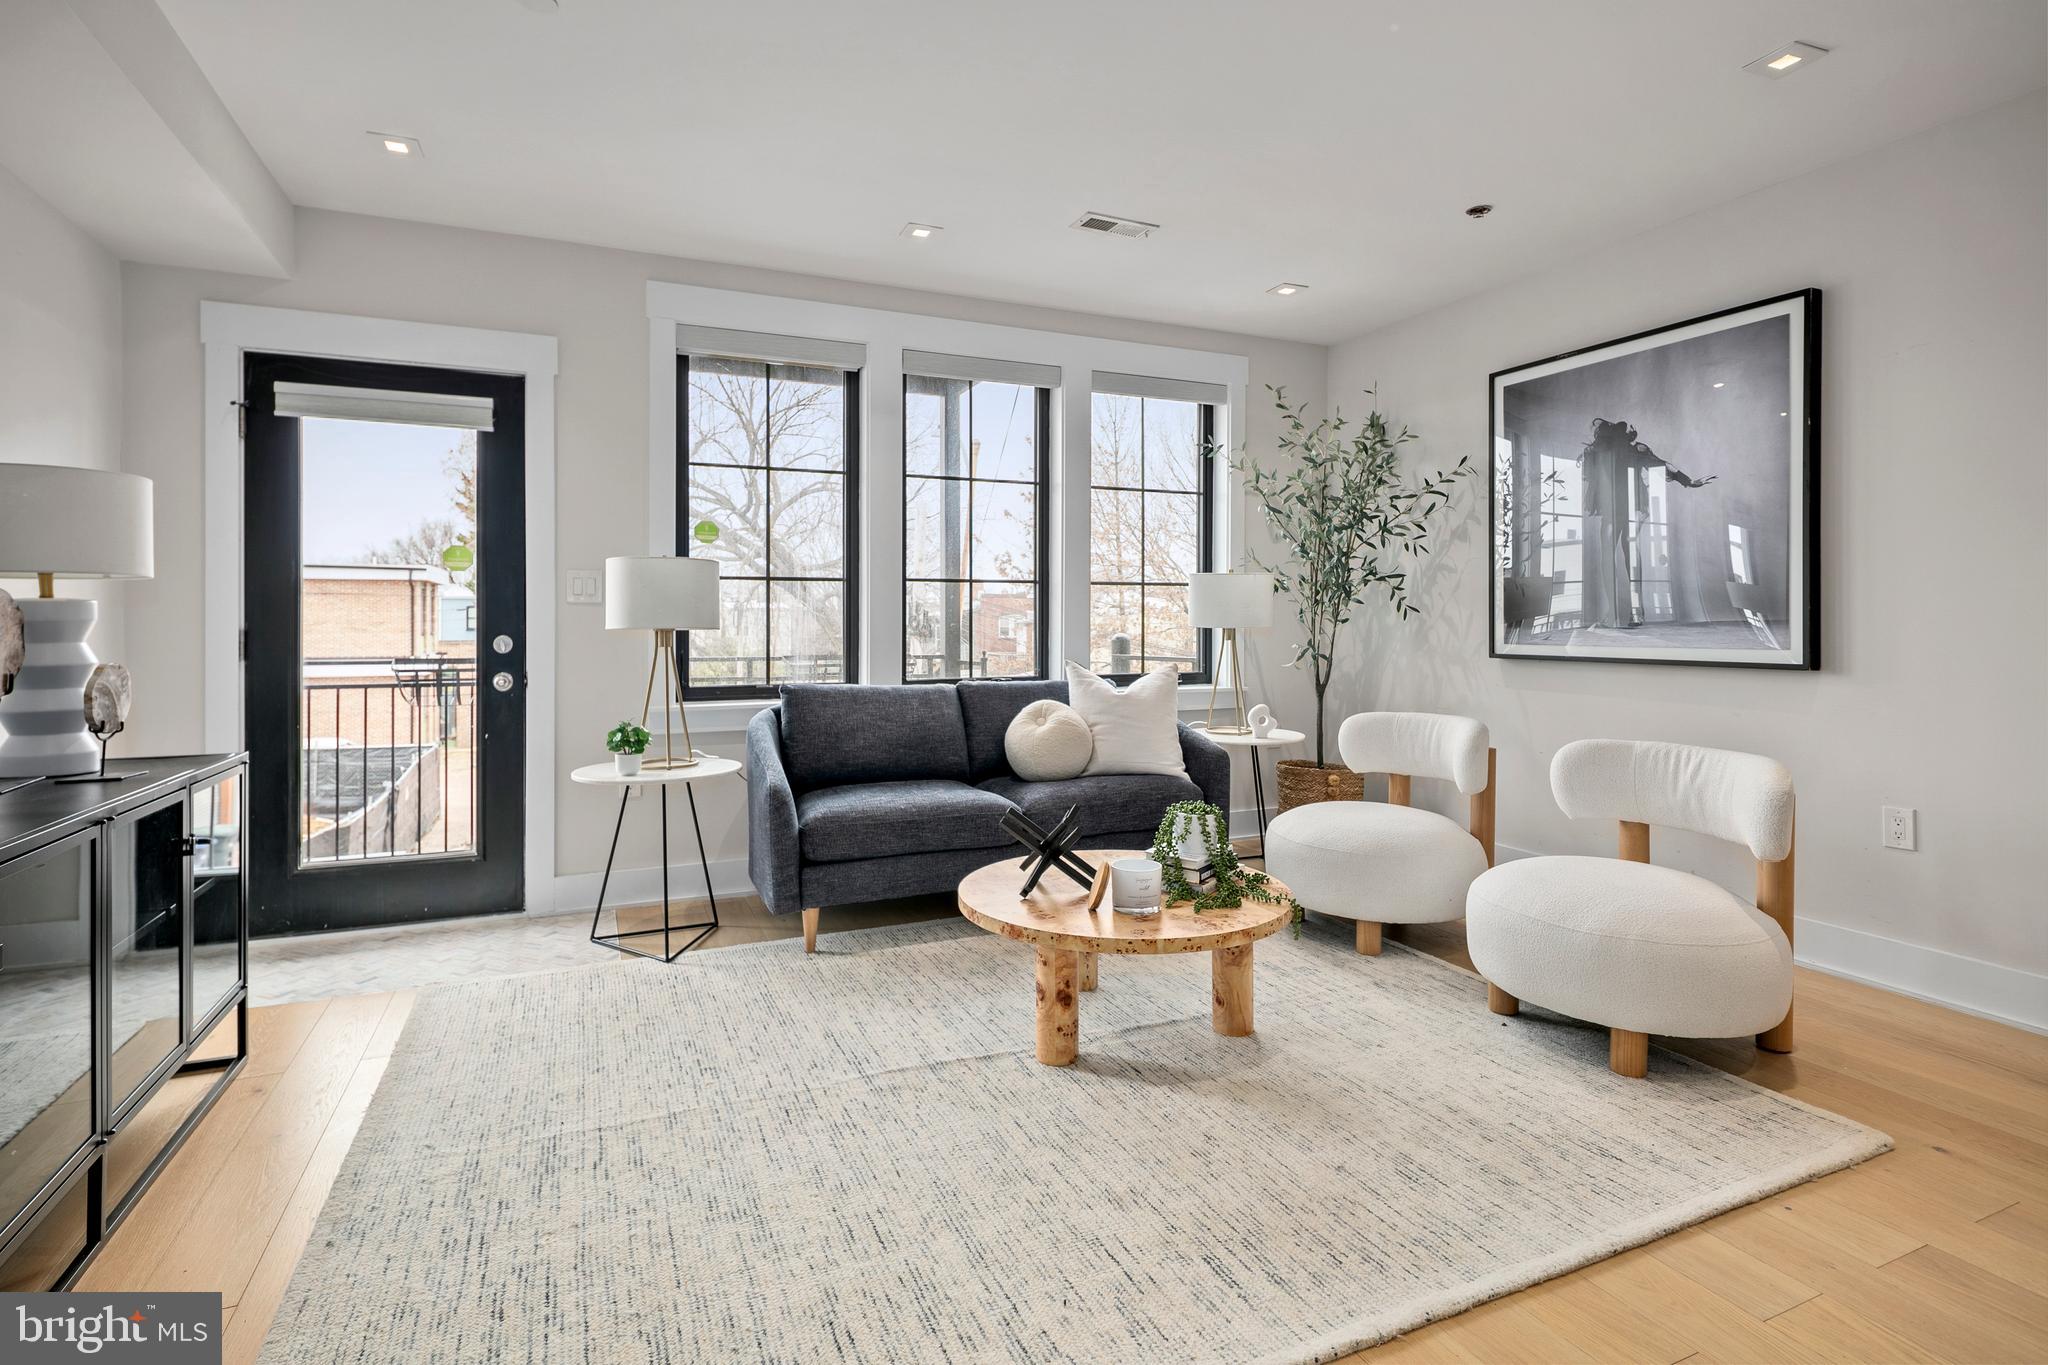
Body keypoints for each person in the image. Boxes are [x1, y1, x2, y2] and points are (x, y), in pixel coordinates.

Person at [1577, 418, 1715, 629]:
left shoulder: (1629, 451)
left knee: (1623, 553)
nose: (1632, 430)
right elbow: (1665, 465)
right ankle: (1623, 611)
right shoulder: (1610, 452)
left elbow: (1663, 465)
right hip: (1618, 508)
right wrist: (1689, 481)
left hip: (1630, 507)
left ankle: (1631, 611)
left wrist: (1689, 481)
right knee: (1617, 554)